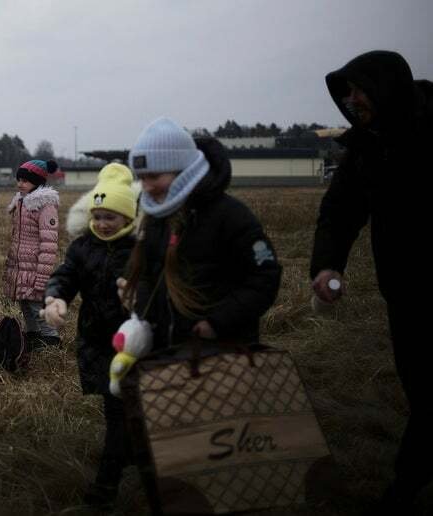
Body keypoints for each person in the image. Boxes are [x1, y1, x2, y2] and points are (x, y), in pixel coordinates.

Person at [114, 117, 281, 507]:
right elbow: (150, 276)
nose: (147, 186)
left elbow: (265, 276)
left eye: (154, 175)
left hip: (219, 358)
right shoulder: (155, 216)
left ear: (182, 168)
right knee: (167, 458)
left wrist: (217, 322)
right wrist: (140, 316)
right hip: (163, 357)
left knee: (216, 462)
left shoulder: (230, 217)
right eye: (141, 178)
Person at [310, 50, 433, 513]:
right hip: (404, 290)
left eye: (358, 89)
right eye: (347, 92)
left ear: (386, 88)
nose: (351, 100)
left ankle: (405, 484)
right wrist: (326, 265)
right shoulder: (367, 145)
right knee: (419, 386)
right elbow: (340, 211)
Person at [40, 163, 139, 507]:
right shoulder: (83, 247)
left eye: (110, 216)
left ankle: (106, 488)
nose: (101, 223)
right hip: (98, 341)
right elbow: (66, 277)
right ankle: (130, 456)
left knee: (122, 411)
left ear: (128, 218)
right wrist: (55, 298)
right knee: (120, 411)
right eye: (97, 216)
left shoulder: (140, 249)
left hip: (136, 345)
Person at [2, 159, 61, 348]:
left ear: (37, 182)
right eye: (19, 180)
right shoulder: (21, 203)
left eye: (25, 181)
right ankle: (34, 333)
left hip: (35, 265)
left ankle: (51, 338)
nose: (20, 184)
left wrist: (42, 275)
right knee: (24, 301)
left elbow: (49, 243)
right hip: (21, 265)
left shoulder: (45, 207)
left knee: (37, 304)